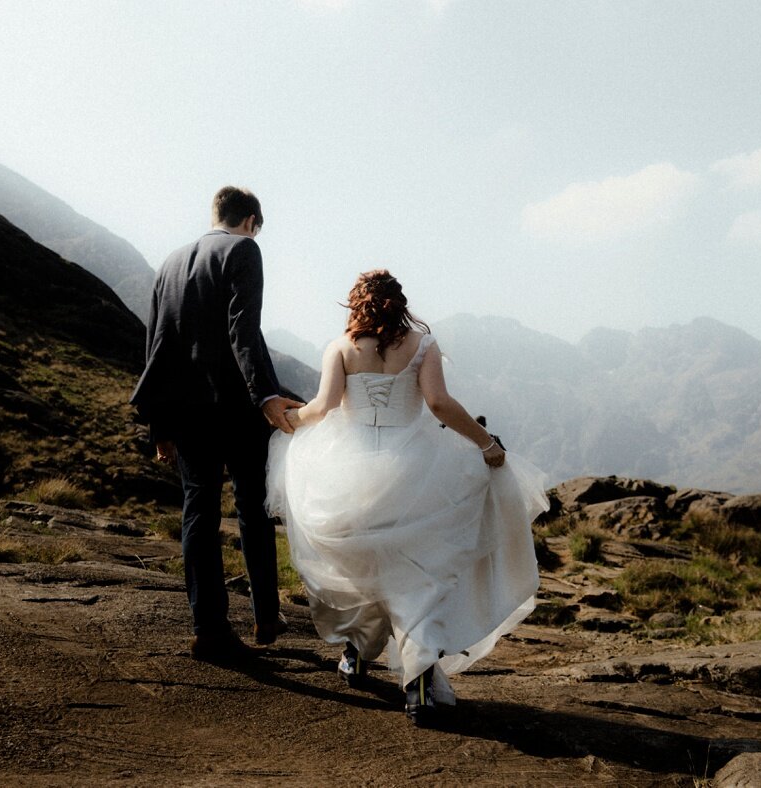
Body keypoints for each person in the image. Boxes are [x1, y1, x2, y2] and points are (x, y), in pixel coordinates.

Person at [266, 270, 549, 724]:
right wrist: (486, 445)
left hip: (348, 471)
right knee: (412, 575)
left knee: (364, 568)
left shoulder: (339, 347)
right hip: (415, 470)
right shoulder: (422, 345)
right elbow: (438, 404)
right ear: (399, 303)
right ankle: (417, 683)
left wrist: (285, 418)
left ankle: (356, 655)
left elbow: (322, 409)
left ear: (356, 304)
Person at [130, 186, 302, 662]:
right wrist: (266, 395)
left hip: (184, 410)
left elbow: (157, 344)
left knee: (199, 509)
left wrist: (158, 424)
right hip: (235, 405)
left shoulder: (169, 262)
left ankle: (208, 627)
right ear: (250, 221)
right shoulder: (244, 249)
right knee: (252, 507)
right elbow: (243, 327)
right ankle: (266, 615)